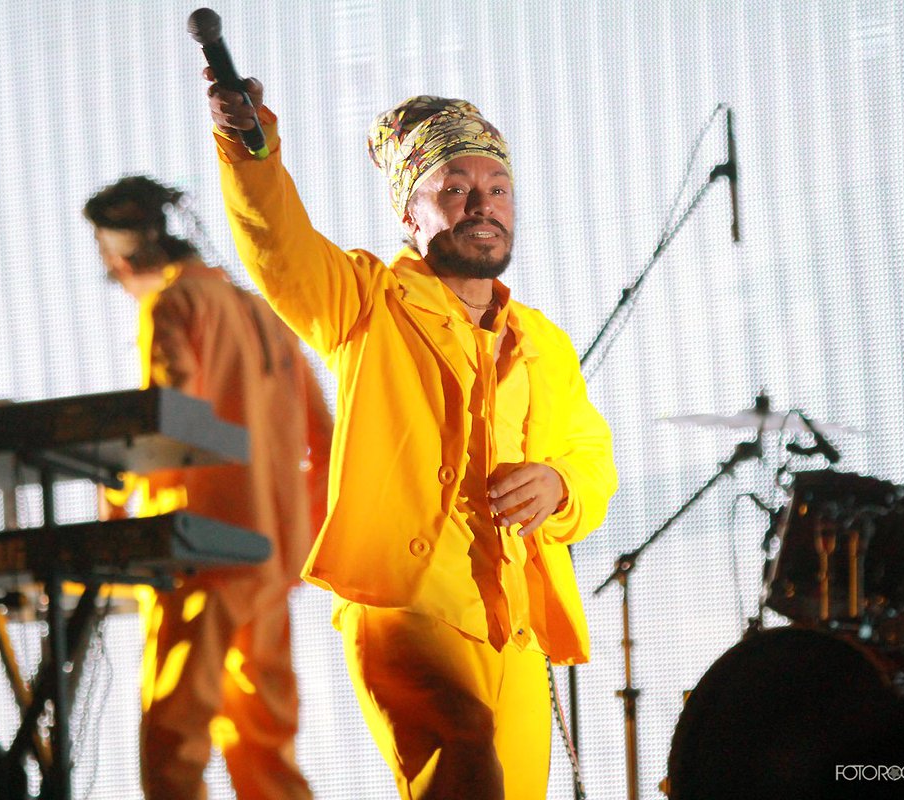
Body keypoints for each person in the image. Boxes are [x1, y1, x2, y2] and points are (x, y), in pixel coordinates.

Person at [203, 78, 618, 800]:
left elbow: (591, 459)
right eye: (455, 189)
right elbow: (281, 248)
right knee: (464, 752)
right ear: (407, 212)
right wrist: (250, 150)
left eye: (498, 188)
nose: (483, 204)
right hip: (407, 606)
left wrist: (558, 484)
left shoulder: (542, 342)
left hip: (513, 629)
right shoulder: (368, 301)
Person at [83, 175, 331, 800]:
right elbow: (328, 441)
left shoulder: (172, 305)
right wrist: (298, 540)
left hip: (199, 551)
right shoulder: (264, 314)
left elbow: (168, 419)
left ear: (119, 259)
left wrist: (114, 507)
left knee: (176, 738)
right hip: (271, 561)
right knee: (264, 739)